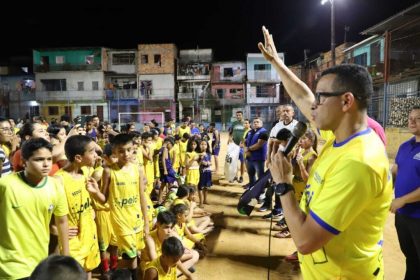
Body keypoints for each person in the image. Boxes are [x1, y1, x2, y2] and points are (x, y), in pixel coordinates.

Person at [259, 26, 392, 279]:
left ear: (346, 101)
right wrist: (277, 64)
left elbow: (306, 242)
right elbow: (303, 96)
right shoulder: (341, 135)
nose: (314, 106)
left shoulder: (359, 163)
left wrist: (284, 185)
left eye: (321, 98)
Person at [0, 138, 69, 279]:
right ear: (24, 162)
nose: (46, 164)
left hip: (39, 262)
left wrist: (66, 258)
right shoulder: (5, 185)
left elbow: (62, 222)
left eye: (49, 159)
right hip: (9, 265)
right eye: (39, 160)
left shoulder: (55, 186)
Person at [54, 135, 104, 278]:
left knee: (88, 272)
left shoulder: (87, 172)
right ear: (78, 158)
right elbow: (45, 212)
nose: (96, 155)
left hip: (89, 235)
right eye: (92, 151)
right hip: (72, 241)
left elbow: (96, 201)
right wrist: (55, 229)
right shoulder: (59, 180)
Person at [101, 133, 150, 280]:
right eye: (121, 151)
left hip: (136, 219)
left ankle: (113, 274)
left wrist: (146, 222)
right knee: (132, 255)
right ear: (114, 151)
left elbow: (142, 196)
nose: (126, 154)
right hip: (120, 221)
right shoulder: (108, 171)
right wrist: (95, 192)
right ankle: (120, 275)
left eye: (129, 150)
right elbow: (104, 199)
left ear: (134, 149)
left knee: (134, 255)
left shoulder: (138, 170)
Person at [390, 105, 420, 280]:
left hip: (418, 217)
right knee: (411, 257)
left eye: (417, 118)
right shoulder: (404, 146)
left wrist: (403, 200)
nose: (411, 121)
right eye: (410, 118)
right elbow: (395, 171)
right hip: (402, 215)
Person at [229, 111, 245, 183]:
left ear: (242, 115)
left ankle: (241, 176)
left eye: (239, 115)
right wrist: (230, 138)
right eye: (237, 115)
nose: (238, 116)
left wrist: (244, 143)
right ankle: (235, 176)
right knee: (234, 162)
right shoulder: (234, 123)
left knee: (242, 162)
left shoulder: (245, 123)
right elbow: (230, 132)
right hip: (234, 145)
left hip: (242, 146)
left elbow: (248, 132)